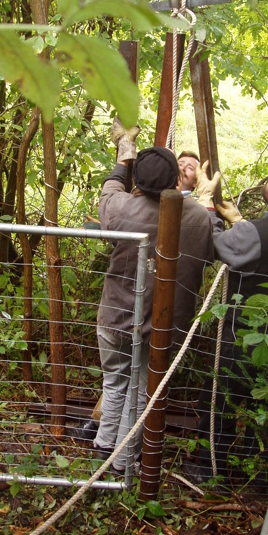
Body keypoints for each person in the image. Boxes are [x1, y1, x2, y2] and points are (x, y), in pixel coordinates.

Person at [185, 158, 268, 485]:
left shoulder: (252, 234)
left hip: (239, 336)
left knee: (218, 402)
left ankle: (208, 470)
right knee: (259, 402)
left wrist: (206, 206)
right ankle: (252, 469)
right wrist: (242, 222)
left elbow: (213, 247)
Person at [93, 134, 214, 473]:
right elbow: (211, 246)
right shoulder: (195, 217)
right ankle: (122, 463)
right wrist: (207, 202)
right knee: (142, 391)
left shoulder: (120, 208)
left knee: (115, 383)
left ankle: (105, 450)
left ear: (139, 182)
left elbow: (111, 187)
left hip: (116, 317)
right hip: (162, 327)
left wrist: (124, 152)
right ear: (176, 180)